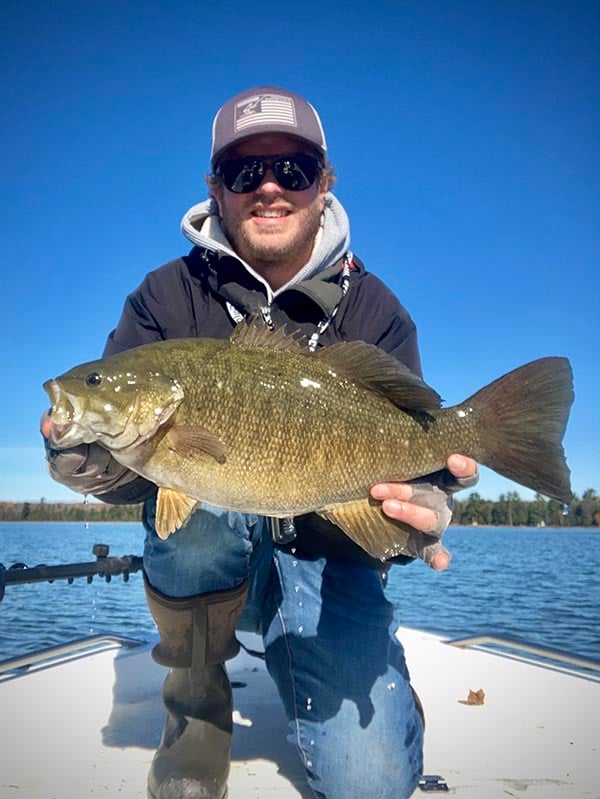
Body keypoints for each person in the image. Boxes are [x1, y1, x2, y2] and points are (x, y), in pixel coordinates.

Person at [42, 86, 478, 799]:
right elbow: (120, 470)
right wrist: (79, 448)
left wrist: (424, 510)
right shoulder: (163, 298)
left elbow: (423, 464)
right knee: (189, 519)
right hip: (213, 566)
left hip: (329, 560)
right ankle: (196, 700)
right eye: (245, 173)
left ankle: (373, 682)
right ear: (216, 188)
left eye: (293, 170)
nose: (269, 186)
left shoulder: (376, 310)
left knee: (370, 783)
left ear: (324, 184)